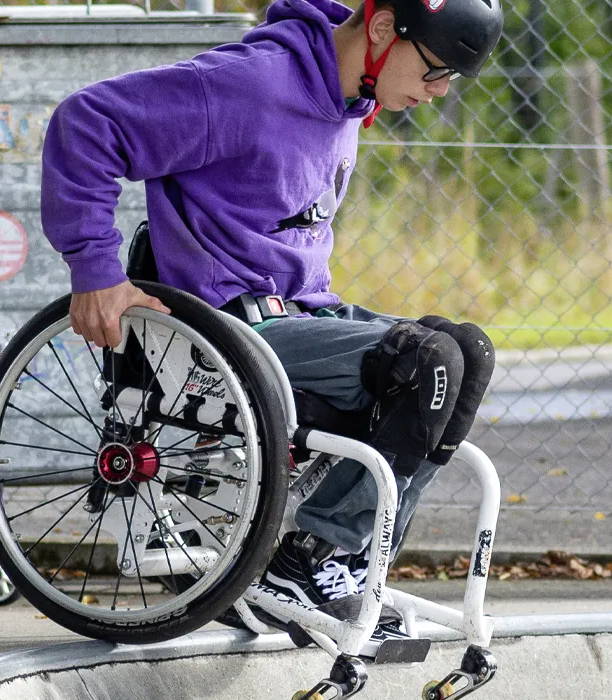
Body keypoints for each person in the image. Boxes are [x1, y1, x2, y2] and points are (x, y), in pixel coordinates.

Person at [39, 0, 502, 621]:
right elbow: (86, 123)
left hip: (296, 316)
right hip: (222, 331)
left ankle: (351, 560)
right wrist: (96, 271)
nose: (439, 92)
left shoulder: (345, 100)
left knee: (466, 352)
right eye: (434, 72)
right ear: (385, 30)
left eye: (451, 80)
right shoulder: (250, 85)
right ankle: (307, 560)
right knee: (426, 362)